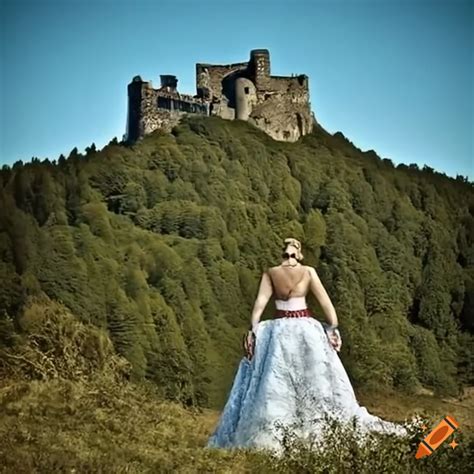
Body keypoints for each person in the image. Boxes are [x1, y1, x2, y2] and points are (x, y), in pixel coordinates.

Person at [205, 237, 409, 454]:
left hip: (279, 331)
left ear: (284, 253)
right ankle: (313, 430)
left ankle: (277, 435)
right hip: (305, 330)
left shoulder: (272, 273)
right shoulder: (308, 271)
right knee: (315, 382)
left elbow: (259, 305)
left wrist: (254, 330)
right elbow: (328, 306)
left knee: (276, 385)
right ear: (299, 253)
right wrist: (332, 327)